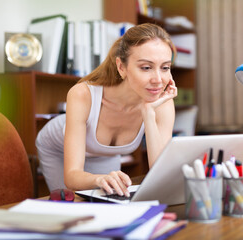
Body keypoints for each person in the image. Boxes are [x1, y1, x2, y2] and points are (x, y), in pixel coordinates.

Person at [35, 23, 177, 197]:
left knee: (107, 202)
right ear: (121, 67)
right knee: (72, 203)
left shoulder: (161, 103)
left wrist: (148, 113)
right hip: (56, 148)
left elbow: (159, 172)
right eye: (146, 67)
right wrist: (97, 179)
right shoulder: (82, 95)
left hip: (104, 154)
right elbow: (72, 176)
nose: (158, 80)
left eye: (165, 67)